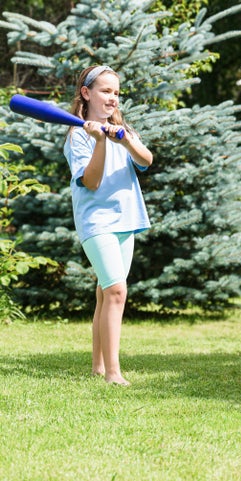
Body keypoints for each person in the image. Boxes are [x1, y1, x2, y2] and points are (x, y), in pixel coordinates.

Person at [64, 65, 153, 386]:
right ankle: (114, 373)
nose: (112, 98)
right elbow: (91, 180)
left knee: (105, 292)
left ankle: (98, 368)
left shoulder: (123, 131)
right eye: (105, 91)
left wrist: (124, 140)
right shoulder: (78, 136)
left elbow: (146, 160)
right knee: (116, 291)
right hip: (97, 222)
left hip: (126, 219)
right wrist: (99, 141)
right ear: (86, 94)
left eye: (116, 92)